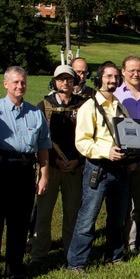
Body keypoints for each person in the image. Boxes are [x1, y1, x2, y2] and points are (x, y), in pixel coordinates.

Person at [0, 67, 51, 279]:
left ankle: (15, 268)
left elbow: (44, 147)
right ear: (5, 84)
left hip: (24, 172)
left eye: (23, 82)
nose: (20, 86)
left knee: (19, 224)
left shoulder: (35, 113)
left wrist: (44, 175)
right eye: (16, 82)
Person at [67, 62, 134, 273]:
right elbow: (82, 142)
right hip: (98, 168)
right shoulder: (89, 107)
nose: (113, 80)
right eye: (108, 77)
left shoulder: (120, 106)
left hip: (120, 169)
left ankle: (114, 256)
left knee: (117, 218)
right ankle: (76, 263)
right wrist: (106, 152)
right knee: (88, 219)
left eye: (116, 77)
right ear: (99, 79)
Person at [30, 64, 86, 268]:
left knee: (73, 212)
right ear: (54, 81)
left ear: (75, 82)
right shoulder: (43, 105)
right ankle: (38, 254)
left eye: (69, 79)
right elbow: (37, 139)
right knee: (43, 213)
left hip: (75, 166)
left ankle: (71, 251)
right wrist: (52, 161)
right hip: (50, 168)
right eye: (61, 79)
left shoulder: (84, 105)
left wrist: (78, 160)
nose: (65, 82)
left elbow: (90, 135)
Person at [114, 55, 140, 255]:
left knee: (136, 204)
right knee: (118, 202)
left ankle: (130, 242)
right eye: (131, 70)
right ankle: (115, 242)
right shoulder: (115, 95)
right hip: (121, 157)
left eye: (139, 70)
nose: (135, 74)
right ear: (123, 72)